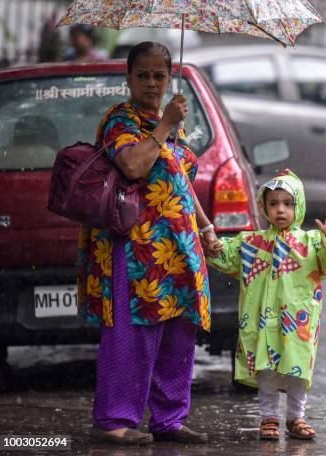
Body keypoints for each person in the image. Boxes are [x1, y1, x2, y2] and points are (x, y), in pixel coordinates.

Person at [76, 41, 220, 445]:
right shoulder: (120, 122)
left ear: (169, 76)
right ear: (128, 77)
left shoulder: (170, 124)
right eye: (143, 75)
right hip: (136, 248)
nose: (152, 83)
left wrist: (206, 228)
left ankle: (168, 420)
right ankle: (114, 420)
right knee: (132, 335)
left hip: (179, 248)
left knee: (179, 334)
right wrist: (164, 125)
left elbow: (181, 183)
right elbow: (134, 165)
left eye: (160, 75)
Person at [208, 169, 326, 440]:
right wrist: (213, 247)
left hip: (298, 324)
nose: (280, 210)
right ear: (264, 207)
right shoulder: (252, 242)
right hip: (261, 321)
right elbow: (227, 254)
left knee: (297, 372)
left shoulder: (312, 242)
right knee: (266, 371)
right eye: (273, 204)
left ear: (300, 206)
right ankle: (268, 417)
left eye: (287, 203)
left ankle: (296, 417)